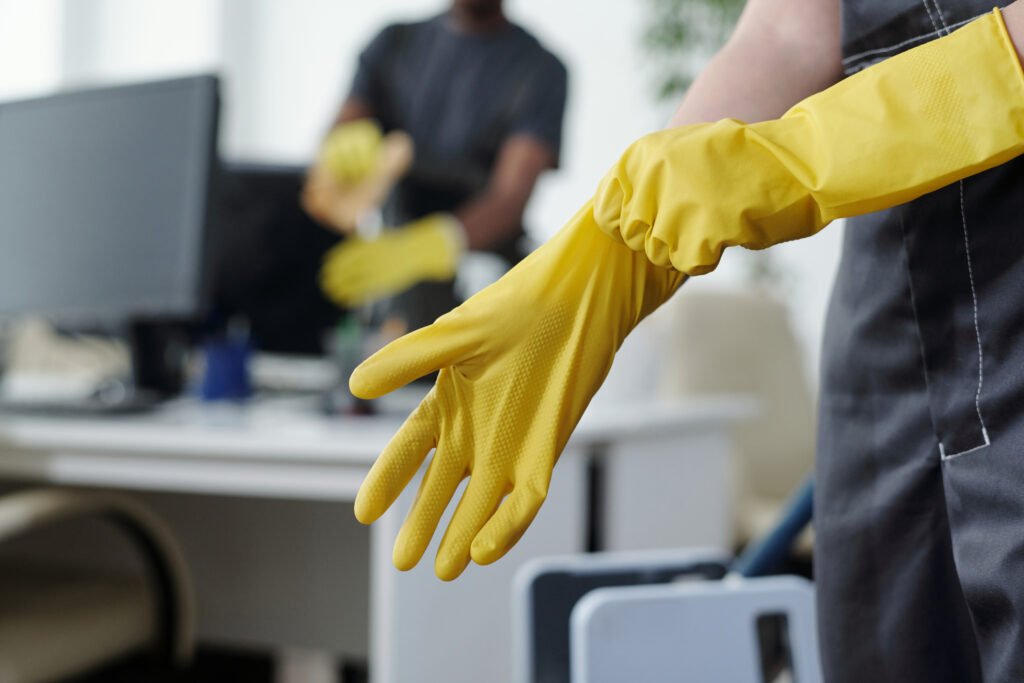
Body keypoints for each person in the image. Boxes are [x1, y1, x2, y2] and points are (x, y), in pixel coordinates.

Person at [346, 1, 1024, 681]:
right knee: (881, 647)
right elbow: (788, 30)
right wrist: (628, 242)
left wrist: (807, 157)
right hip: (895, 296)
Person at [307, 0, 567, 332]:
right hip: (392, 266)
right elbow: (342, 129)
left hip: (482, 278)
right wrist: (340, 148)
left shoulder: (540, 70)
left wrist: (438, 243)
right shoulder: (394, 43)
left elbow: (509, 197)